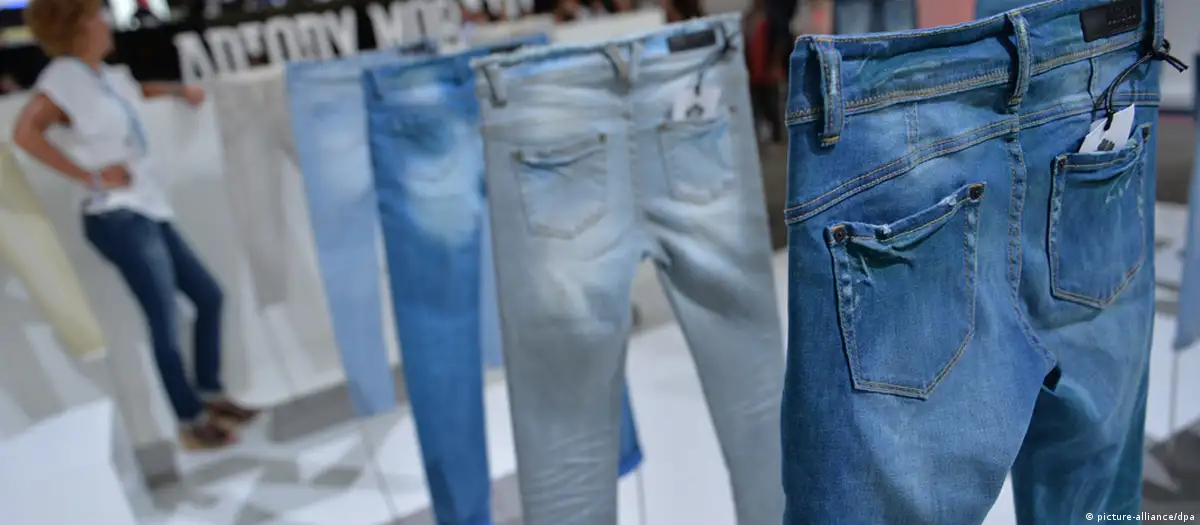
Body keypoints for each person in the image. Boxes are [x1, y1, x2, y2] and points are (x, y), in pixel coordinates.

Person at [12, 0, 257, 450]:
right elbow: (25, 132)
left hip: (146, 206)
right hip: (115, 215)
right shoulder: (63, 78)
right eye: (97, 15)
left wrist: (178, 91)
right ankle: (190, 422)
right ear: (79, 25)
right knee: (164, 319)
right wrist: (89, 176)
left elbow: (135, 93)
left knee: (209, 296)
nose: (106, 21)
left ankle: (209, 393)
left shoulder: (103, 76)